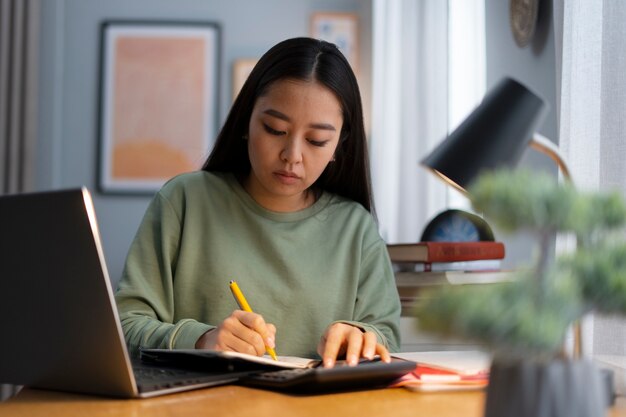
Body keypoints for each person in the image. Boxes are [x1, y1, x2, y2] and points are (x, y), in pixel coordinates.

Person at [115, 37, 401, 368]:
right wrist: (202, 339)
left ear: (340, 144)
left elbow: (386, 336)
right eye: (274, 129)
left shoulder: (356, 228)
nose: (292, 156)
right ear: (247, 121)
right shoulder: (185, 201)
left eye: (316, 141)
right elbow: (124, 326)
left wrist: (361, 336)